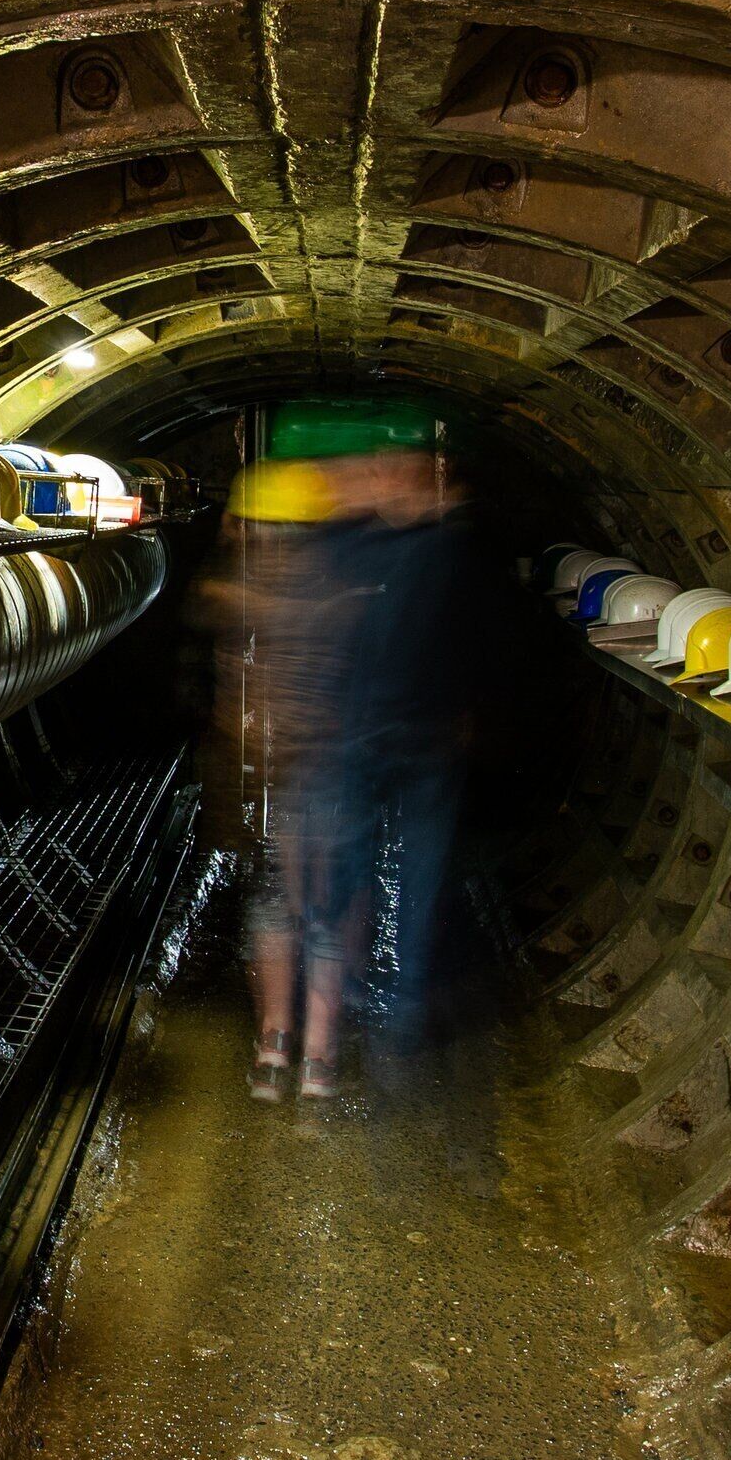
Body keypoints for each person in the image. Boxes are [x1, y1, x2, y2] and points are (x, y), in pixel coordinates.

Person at [213, 400, 471, 1101]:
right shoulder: (348, 557)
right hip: (330, 749)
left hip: (314, 751)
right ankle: (317, 1050)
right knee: (327, 897)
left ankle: (293, 1042)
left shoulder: (298, 565)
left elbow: (246, 664)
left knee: (299, 897)